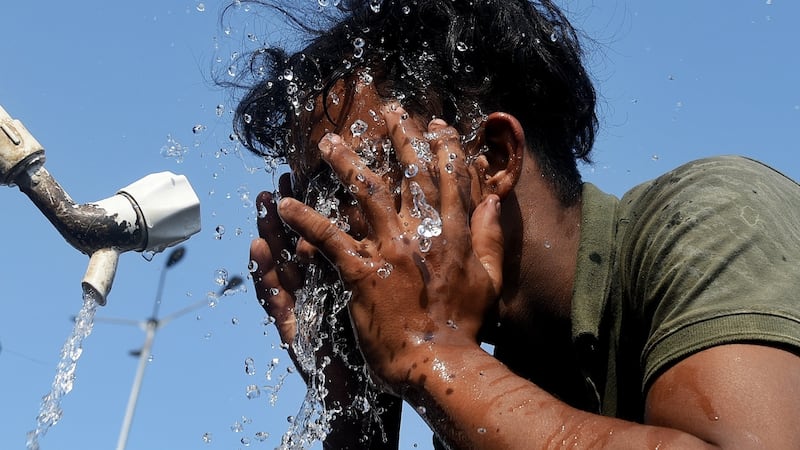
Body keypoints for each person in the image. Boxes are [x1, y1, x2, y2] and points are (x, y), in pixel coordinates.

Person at [235, 0, 800, 448]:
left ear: (492, 159)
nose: (315, 238)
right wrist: (360, 416)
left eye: (349, 184)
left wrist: (428, 355)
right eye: (310, 203)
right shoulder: (487, 379)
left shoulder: (711, 214)